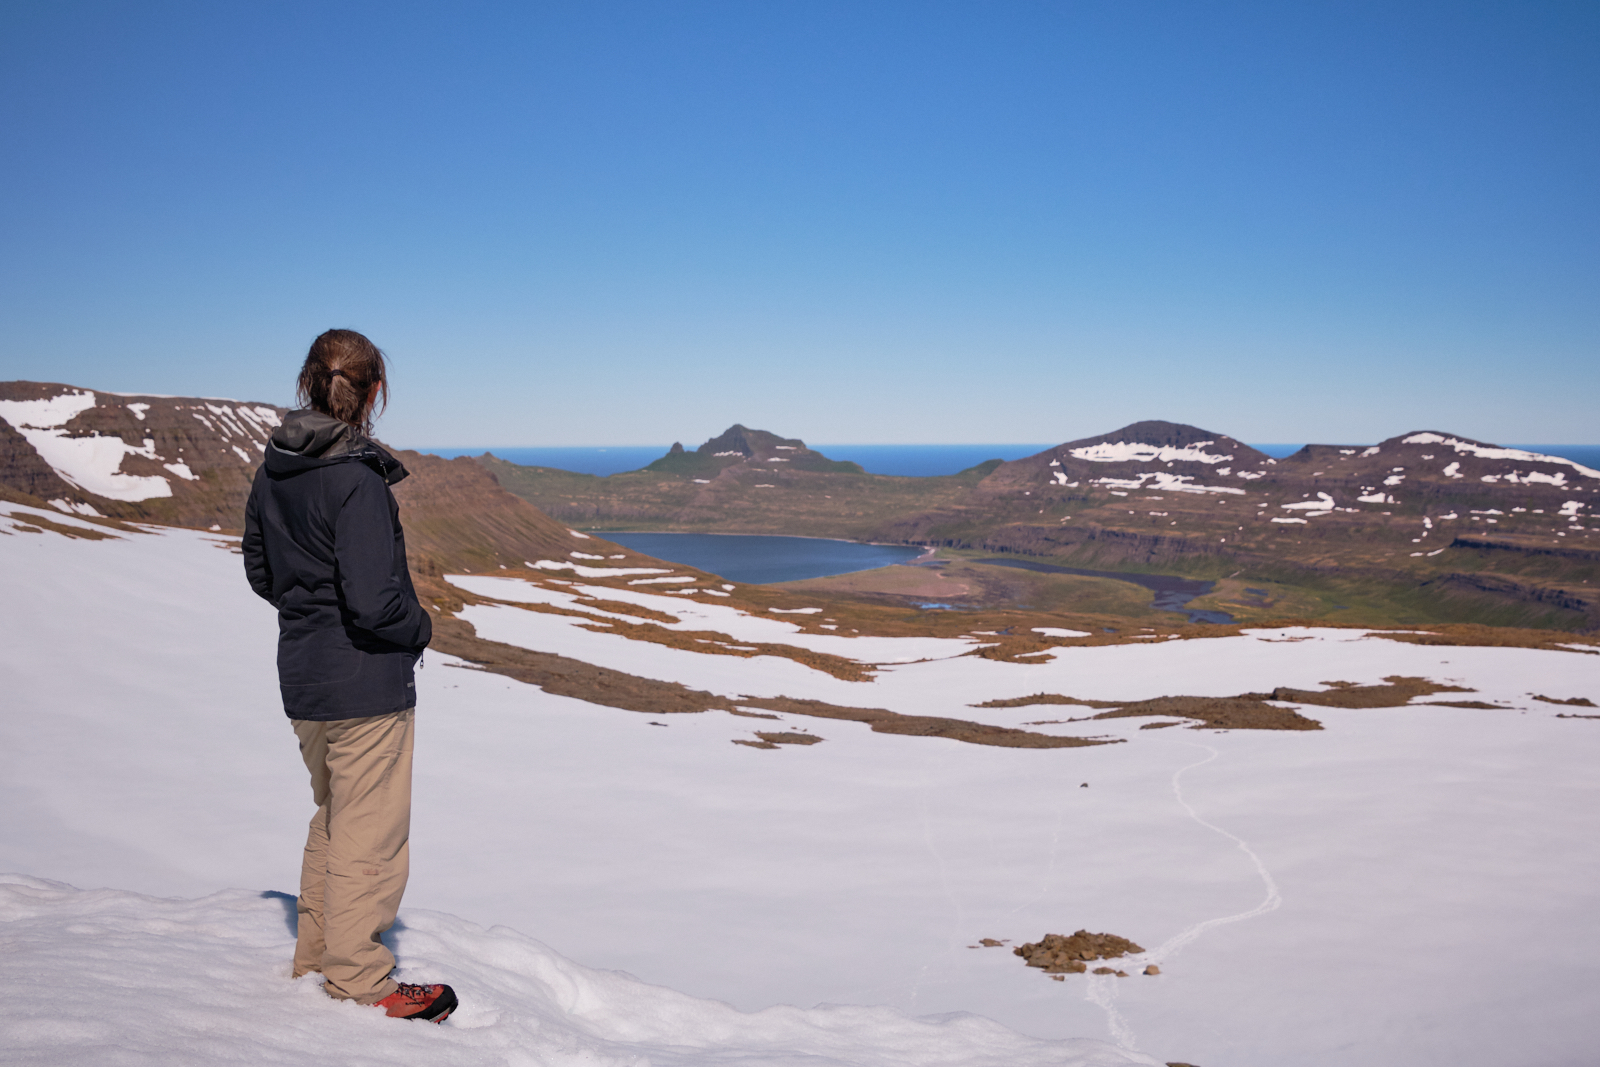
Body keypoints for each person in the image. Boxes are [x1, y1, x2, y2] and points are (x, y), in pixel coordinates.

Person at [242, 329, 456, 1023]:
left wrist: (308, 612)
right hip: (365, 684)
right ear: (375, 392)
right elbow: (374, 601)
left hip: (303, 679)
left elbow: (261, 572)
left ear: (308, 381)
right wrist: (420, 628)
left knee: (334, 818)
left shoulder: (274, 468)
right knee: (371, 834)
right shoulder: (357, 478)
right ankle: (362, 979)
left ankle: (318, 954)